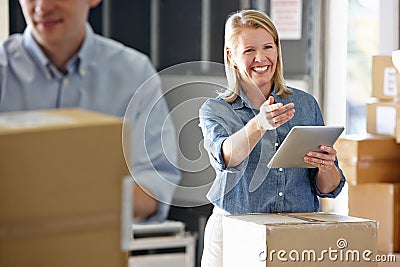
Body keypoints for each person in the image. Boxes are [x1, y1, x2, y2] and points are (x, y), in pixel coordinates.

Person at [0, 0, 180, 222]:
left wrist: (66, 202)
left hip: (98, 245)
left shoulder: (134, 73)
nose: (41, 7)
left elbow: (155, 184)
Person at [199, 9, 346, 266]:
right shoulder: (215, 110)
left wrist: (327, 166)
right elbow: (226, 157)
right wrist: (259, 123)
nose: (261, 57)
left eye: (268, 46)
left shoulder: (305, 104)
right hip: (236, 231)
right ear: (231, 57)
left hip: (296, 235)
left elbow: (327, 188)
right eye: (249, 51)